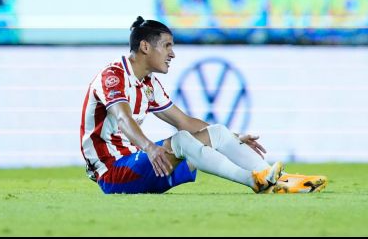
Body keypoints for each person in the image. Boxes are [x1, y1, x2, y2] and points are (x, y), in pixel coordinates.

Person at [79, 16, 327, 194]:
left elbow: (184, 121)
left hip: (142, 164)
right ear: (145, 46)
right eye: (167, 46)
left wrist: (233, 137)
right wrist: (150, 148)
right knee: (182, 141)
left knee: (216, 132)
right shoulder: (112, 77)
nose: (172, 54)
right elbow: (123, 119)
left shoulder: (148, 83)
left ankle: (279, 180)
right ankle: (254, 181)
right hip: (114, 173)